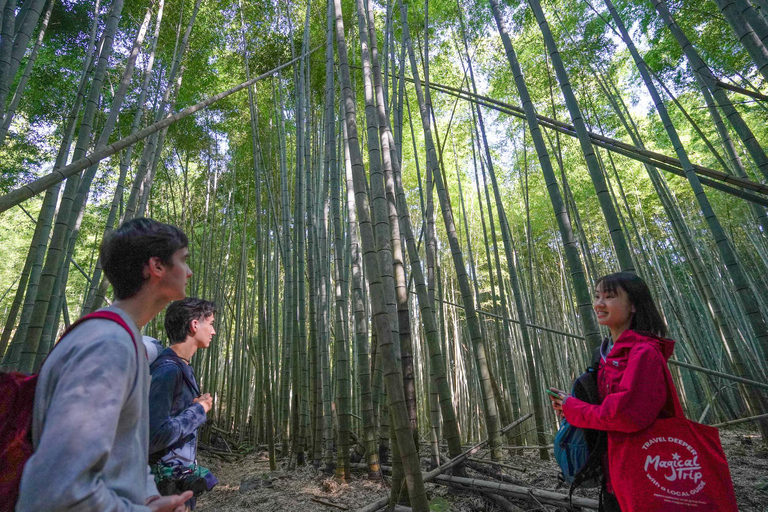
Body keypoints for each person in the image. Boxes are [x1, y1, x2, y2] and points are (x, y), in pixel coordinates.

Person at [16, 218, 194, 512]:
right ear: (157, 267)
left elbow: (121, 448)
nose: (188, 272)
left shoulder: (125, 339)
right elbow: (59, 489)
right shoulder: (108, 345)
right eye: (183, 260)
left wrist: (147, 496)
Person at [548, 272, 672, 512]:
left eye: (609, 296)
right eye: (596, 296)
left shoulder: (644, 353)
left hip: (645, 472)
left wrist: (574, 408)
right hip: (614, 472)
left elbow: (625, 415)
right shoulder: (606, 354)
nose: (598, 304)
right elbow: (606, 409)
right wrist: (570, 403)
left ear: (634, 304)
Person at [148, 298, 216, 509]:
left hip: (178, 484)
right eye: (211, 323)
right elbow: (154, 436)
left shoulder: (183, 368)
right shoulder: (168, 370)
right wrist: (199, 410)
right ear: (194, 325)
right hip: (164, 491)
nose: (213, 331)